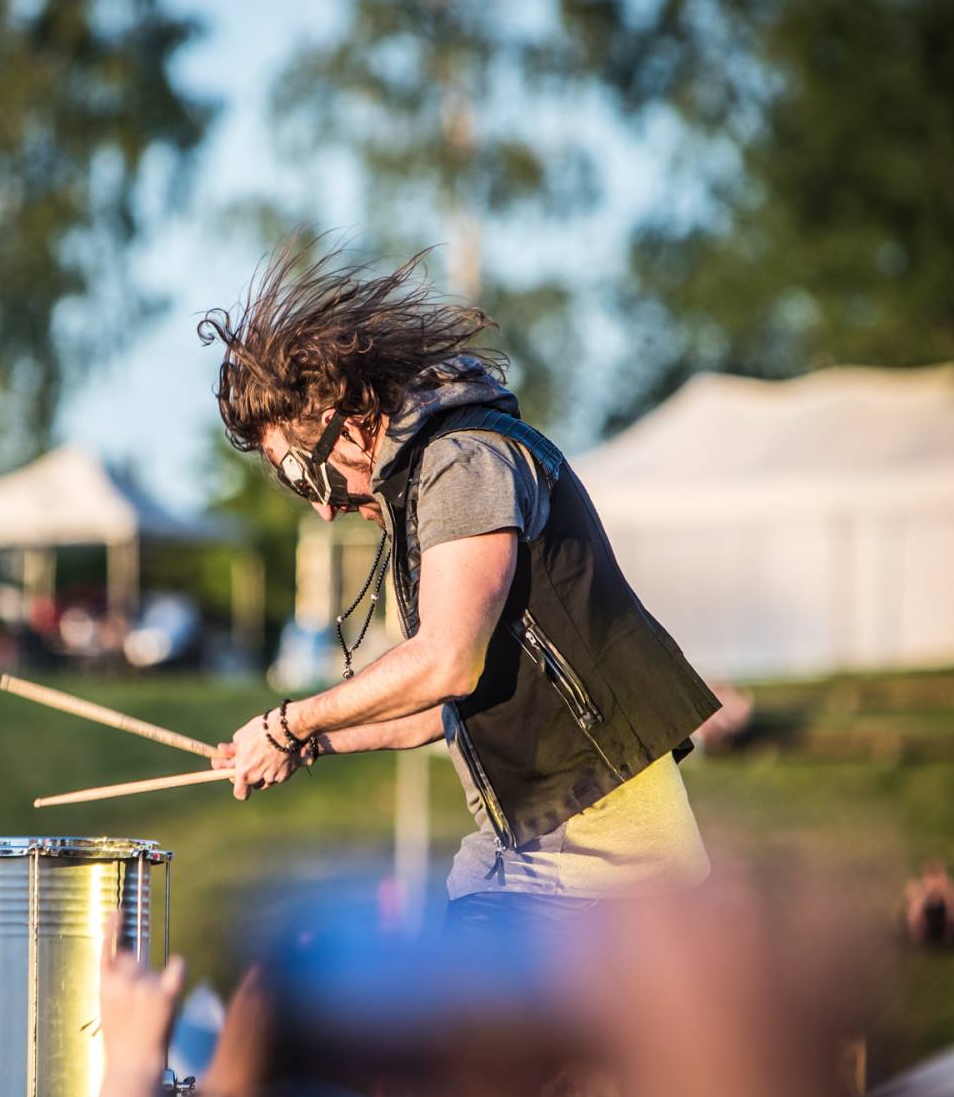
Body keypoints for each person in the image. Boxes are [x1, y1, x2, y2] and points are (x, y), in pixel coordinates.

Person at [203, 246, 718, 939]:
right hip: (533, 858)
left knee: (424, 1028)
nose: (321, 507)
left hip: (606, 865)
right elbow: (446, 703)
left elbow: (448, 660)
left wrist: (288, 721)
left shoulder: (462, 464)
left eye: (306, 475)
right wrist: (316, 742)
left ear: (346, 420)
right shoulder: (423, 488)